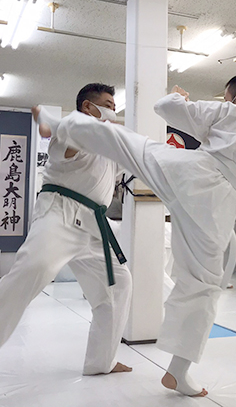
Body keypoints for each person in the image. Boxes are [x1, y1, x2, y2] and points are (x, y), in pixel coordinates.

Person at [34, 73, 236, 397]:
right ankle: (178, 371)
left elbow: (166, 109)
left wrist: (178, 98)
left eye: (228, 98)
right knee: (203, 285)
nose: (227, 102)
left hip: (190, 172)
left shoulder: (229, 112)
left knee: (129, 144)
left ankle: (57, 125)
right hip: (220, 204)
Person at [0, 83, 133, 376]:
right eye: (108, 105)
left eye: (115, 107)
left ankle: (101, 362)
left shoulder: (106, 144)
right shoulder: (74, 132)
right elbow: (74, 137)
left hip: (94, 225)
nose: (113, 111)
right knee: (31, 271)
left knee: (119, 283)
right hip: (60, 214)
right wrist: (51, 123)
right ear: (88, 106)